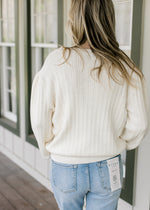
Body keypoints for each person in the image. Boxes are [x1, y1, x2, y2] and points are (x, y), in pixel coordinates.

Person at [30, 0, 150, 209]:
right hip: (108, 165)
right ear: (109, 19)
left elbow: (40, 121)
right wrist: (118, 143)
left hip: (66, 165)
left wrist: (48, 148)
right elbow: (139, 124)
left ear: (74, 19)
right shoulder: (124, 64)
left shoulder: (57, 61)